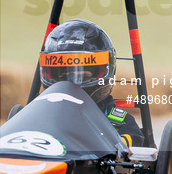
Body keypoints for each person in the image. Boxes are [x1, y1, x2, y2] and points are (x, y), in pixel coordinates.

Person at [39, 19, 144, 147]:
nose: (72, 82)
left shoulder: (120, 122)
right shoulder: (39, 117)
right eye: (64, 75)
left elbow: (136, 142)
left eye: (83, 74)